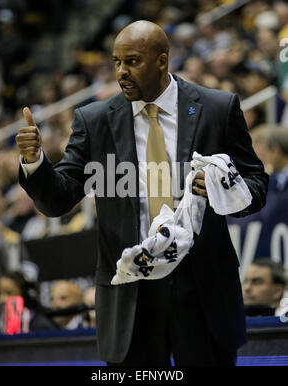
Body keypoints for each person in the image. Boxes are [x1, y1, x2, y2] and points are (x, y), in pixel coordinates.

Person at [16, 20, 268, 366]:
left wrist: (223, 189)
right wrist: (35, 162)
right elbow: (58, 199)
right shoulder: (95, 120)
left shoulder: (216, 108)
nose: (121, 72)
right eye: (117, 62)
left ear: (162, 61)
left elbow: (256, 183)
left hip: (202, 288)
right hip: (130, 293)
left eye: (132, 61)